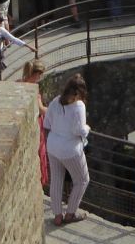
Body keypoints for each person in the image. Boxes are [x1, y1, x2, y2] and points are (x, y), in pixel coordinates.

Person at [43, 74, 91, 226]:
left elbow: (47, 123)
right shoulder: (79, 106)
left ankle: (58, 216)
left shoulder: (55, 101)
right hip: (71, 150)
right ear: (77, 93)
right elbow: (79, 130)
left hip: (53, 146)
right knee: (82, 180)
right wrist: (87, 129)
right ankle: (70, 213)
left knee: (56, 181)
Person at [20, 58, 49, 188]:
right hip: (36, 123)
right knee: (41, 150)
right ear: (36, 74)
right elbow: (42, 110)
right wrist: (56, 109)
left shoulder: (20, 83)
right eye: (40, 74)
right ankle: (41, 180)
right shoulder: (33, 90)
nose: (40, 77)